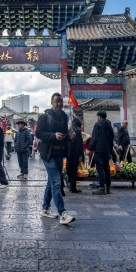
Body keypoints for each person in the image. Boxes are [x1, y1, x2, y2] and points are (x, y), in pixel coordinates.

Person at [36, 93, 75, 225]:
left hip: (60, 154)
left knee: (51, 182)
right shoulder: (44, 117)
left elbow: (64, 134)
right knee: (57, 182)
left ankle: (45, 208)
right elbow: (39, 133)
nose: (59, 104)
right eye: (56, 101)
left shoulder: (64, 116)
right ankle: (63, 213)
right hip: (48, 154)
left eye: (60, 101)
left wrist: (69, 136)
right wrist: (53, 135)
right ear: (51, 103)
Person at [88, 111, 115, 195]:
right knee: (106, 168)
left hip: (99, 149)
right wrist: (110, 150)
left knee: (100, 168)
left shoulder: (98, 124)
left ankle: (102, 187)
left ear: (99, 116)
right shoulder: (109, 125)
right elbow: (111, 139)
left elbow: (95, 137)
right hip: (107, 149)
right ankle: (108, 187)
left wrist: (91, 147)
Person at [67, 118, 84, 193]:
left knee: (70, 168)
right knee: (74, 169)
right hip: (75, 152)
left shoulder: (70, 129)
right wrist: (80, 155)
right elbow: (80, 143)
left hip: (69, 152)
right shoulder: (78, 130)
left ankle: (70, 184)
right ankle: (73, 187)